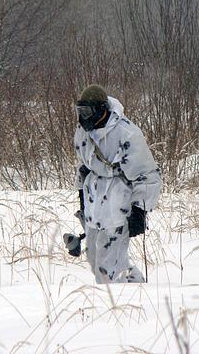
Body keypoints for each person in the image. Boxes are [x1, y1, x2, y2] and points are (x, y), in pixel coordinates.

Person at [70, 84, 162, 284]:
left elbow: (148, 175)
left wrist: (140, 211)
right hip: (94, 203)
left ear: (101, 110)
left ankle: (118, 306)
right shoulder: (83, 131)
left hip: (118, 204)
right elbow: (83, 166)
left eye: (87, 112)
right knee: (95, 260)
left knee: (107, 270)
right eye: (80, 111)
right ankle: (135, 283)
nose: (83, 117)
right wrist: (82, 199)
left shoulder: (126, 134)